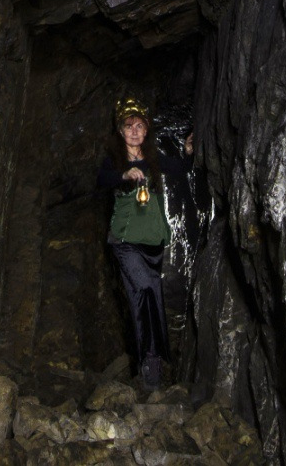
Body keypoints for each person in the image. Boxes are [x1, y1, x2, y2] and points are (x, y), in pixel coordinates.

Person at [95, 98, 194, 393]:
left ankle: (156, 363)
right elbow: (101, 180)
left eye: (140, 126)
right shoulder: (114, 161)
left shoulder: (153, 160)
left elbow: (180, 169)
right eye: (129, 126)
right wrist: (124, 174)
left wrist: (188, 153)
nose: (135, 131)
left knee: (152, 295)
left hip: (152, 241)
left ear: (147, 130)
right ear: (120, 131)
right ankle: (149, 364)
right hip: (125, 241)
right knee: (145, 292)